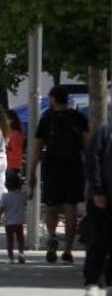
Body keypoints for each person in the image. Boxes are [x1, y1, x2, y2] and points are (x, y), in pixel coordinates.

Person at [29, 85, 90, 264]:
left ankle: (52, 236)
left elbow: (37, 149)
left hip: (52, 166)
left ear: (54, 98)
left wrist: (32, 172)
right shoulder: (79, 118)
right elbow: (88, 146)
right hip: (74, 167)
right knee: (71, 208)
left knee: (51, 206)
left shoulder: (47, 119)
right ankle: (68, 249)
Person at [83, 117, 112, 296]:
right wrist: (98, 190)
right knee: (99, 240)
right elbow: (92, 160)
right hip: (103, 197)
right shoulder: (105, 132)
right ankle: (92, 282)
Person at [0, 172, 27, 265]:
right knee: (20, 239)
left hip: (9, 222)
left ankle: (11, 258)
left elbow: (2, 209)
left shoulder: (4, 196)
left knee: (10, 240)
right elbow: (28, 200)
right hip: (19, 221)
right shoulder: (22, 195)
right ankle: (21, 253)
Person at [6, 112, 26, 181]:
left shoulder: (15, 134)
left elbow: (17, 154)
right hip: (11, 166)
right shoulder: (12, 133)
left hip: (13, 168)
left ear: (11, 120)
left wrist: (4, 152)